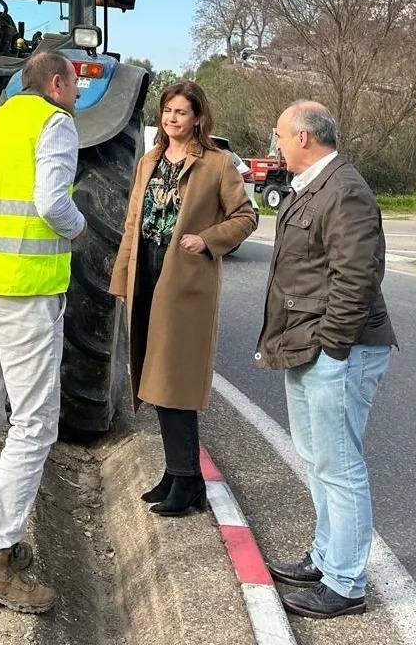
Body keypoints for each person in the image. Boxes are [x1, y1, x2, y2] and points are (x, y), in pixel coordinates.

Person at [0, 50, 86, 615]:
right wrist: (79, 230)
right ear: (55, 83)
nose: (75, 95)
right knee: (33, 424)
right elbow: (52, 202)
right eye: (74, 85)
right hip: (25, 294)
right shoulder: (54, 124)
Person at [256, 101, 396, 620]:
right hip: (309, 345)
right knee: (319, 462)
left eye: (280, 136)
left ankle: (345, 583)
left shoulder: (345, 189)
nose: (276, 145)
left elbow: (357, 277)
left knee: (340, 468)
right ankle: (326, 556)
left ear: (305, 138)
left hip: (339, 350)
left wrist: (332, 346)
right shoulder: (315, 184)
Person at [109, 80, 256, 517]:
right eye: (168, 111)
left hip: (185, 280)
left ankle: (187, 481)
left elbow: (246, 217)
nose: (173, 119)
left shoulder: (217, 164)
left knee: (173, 382)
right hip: (147, 272)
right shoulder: (148, 161)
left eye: (181, 112)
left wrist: (207, 240)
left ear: (198, 118)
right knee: (153, 377)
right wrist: (123, 280)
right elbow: (132, 221)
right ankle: (178, 475)